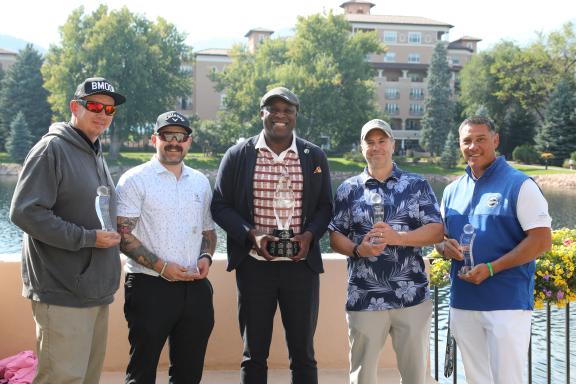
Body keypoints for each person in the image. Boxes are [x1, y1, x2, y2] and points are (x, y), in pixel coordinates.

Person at [211, 87, 332, 384]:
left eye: (287, 110)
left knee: (303, 353)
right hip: (254, 268)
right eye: (273, 109)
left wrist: (309, 235)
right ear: (261, 113)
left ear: (295, 115)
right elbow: (220, 206)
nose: (280, 115)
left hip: (300, 268)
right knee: (254, 355)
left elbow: (326, 207)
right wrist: (251, 235)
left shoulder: (313, 155)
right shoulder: (238, 155)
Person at [9, 76, 125, 384]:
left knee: (86, 379)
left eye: (109, 110)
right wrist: (87, 238)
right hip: (62, 292)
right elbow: (25, 212)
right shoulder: (52, 149)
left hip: (94, 292)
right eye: (95, 106)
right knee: (61, 379)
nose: (103, 114)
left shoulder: (93, 151)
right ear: (75, 107)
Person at [435, 116, 552, 384]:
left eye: (480, 139)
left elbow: (541, 241)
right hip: (463, 303)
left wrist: (491, 268)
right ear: (459, 144)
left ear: (495, 140)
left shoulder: (520, 184)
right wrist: (442, 246)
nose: (473, 146)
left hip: (506, 305)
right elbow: (440, 238)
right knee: (476, 380)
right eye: (467, 141)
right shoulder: (452, 190)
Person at [329, 119, 443, 384]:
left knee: (416, 377)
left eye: (382, 141)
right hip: (364, 296)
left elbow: (437, 231)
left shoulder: (417, 185)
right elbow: (335, 235)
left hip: (412, 297)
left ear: (393, 144)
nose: (376, 147)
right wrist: (358, 249)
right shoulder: (348, 189)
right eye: (370, 142)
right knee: (362, 378)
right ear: (362, 148)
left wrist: (399, 237)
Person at [115, 111, 216, 384]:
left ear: (189, 142)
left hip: (195, 288)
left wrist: (206, 255)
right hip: (149, 288)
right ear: (154, 140)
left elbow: (208, 229)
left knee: (189, 373)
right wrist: (162, 267)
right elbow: (123, 235)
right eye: (166, 136)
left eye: (180, 137)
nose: (174, 142)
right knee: (142, 372)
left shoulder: (200, 182)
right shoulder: (134, 179)